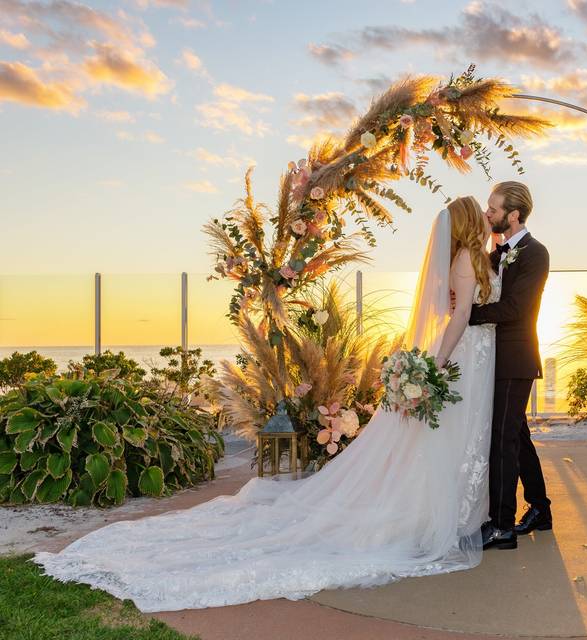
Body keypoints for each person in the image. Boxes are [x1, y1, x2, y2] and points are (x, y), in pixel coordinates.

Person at [34, 196, 501, 612]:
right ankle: (439, 517)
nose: (486, 217)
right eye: (480, 213)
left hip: (473, 355)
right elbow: (457, 314)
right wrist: (437, 365)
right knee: (445, 437)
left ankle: (455, 512)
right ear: (465, 224)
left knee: (452, 436)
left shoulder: (476, 256)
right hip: (459, 354)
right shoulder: (465, 257)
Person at [469, 181, 552, 551]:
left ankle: (501, 526)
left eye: (493, 208)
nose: (488, 213)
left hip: (515, 358)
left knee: (501, 441)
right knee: (516, 435)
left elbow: (516, 308)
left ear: (513, 214)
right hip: (494, 356)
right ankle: (541, 509)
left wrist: (469, 315)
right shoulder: (497, 253)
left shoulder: (535, 254)